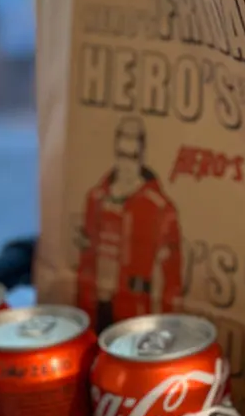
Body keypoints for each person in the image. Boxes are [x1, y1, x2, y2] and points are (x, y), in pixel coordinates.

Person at [76, 117, 182, 330]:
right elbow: (85, 261)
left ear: (142, 157)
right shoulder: (96, 198)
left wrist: (167, 329)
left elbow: (171, 279)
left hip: (135, 314)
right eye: (122, 155)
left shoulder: (160, 208)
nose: (126, 165)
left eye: (133, 157)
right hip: (95, 308)